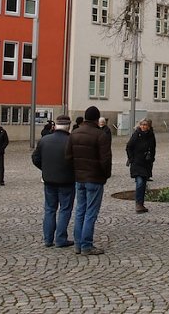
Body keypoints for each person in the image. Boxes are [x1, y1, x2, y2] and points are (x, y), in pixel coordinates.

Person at [66, 105, 112, 255]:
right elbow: (105, 160)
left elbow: (68, 157)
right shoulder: (100, 135)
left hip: (79, 178)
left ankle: (78, 244)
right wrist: (105, 175)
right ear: (97, 119)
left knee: (80, 210)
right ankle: (86, 244)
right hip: (95, 178)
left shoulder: (74, 134)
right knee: (91, 212)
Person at [33, 114, 76, 248]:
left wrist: (45, 169)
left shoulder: (44, 140)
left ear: (56, 125)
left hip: (49, 180)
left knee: (50, 209)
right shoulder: (71, 141)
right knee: (65, 209)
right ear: (68, 126)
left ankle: (48, 239)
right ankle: (60, 238)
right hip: (67, 180)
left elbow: (35, 158)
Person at [126, 118, 156, 213]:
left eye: (145, 125)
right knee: (139, 182)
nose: (143, 126)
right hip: (136, 162)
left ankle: (141, 203)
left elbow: (153, 148)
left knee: (143, 183)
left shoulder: (151, 135)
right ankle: (138, 204)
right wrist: (131, 159)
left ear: (149, 126)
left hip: (146, 163)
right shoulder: (136, 134)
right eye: (142, 125)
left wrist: (151, 158)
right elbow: (128, 147)